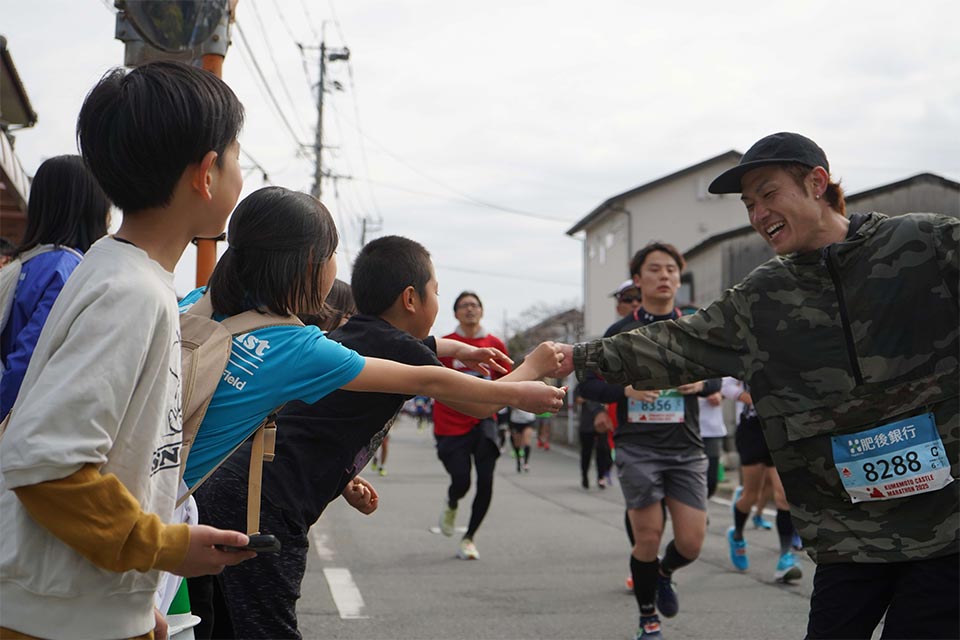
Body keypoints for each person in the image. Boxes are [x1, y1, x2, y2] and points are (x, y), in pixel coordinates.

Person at [565, 132, 959, 640]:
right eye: (749, 204)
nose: (758, 214)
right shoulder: (762, 298)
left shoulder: (926, 245)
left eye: (769, 194)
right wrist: (566, 358)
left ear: (817, 183)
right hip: (849, 535)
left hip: (947, 527)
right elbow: (672, 345)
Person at [193, 235, 565, 638]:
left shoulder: (353, 335)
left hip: (227, 486)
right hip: (265, 506)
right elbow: (479, 404)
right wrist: (532, 366)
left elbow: (311, 420)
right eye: (435, 292)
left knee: (223, 625)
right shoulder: (398, 349)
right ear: (411, 299)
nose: (437, 301)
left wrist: (343, 476)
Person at [0, 61, 255, 640]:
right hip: (58, 620)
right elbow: (47, 463)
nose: (243, 171)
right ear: (207, 174)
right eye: (237, 154)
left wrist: (138, 603)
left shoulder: (119, 273)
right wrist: (165, 547)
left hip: (76, 606)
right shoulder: (131, 294)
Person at [580, 242, 719, 640]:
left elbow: (722, 371)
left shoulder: (694, 325)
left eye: (670, 270)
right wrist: (625, 391)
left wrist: (701, 382)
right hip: (638, 447)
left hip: (686, 447)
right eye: (654, 270)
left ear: (679, 277)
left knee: (691, 542)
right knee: (649, 535)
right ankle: (648, 619)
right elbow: (587, 382)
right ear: (638, 281)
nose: (664, 276)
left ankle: (663, 573)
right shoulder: (620, 332)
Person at [1, 155, 111, 417]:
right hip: (26, 419)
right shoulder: (69, 269)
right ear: (89, 206)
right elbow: (30, 358)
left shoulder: (27, 262)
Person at [433, 291, 514, 561]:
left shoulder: (494, 344)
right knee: (461, 480)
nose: (470, 309)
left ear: (481, 310)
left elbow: (508, 383)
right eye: (464, 306)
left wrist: (503, 422)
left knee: (486, 481)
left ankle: (469, 537)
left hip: (484, 422)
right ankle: (453, 501)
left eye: (475, 305)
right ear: (455, 313)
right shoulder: (446, 345)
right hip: (450, 423)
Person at [726, 380, 802, 583]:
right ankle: (737, 536)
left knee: (784, 496)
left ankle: (786, 557)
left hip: (782, 429)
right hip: (753, 430)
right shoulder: (743, 350)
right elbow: (725, 385)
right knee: (750, 496)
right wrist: (750, 399)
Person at [574, 384, 611, 489]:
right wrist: (592, 395)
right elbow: (578, 399)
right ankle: (584, 475)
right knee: (586, 452)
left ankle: (601, 477)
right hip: (586, 423)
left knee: (603, 450)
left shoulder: (604, 383)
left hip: (602, 424)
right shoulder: (582, 384)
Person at [508, 405, 537, 473]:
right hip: (516, 421)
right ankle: (518, 460)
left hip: (528, 420)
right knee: (517, 444)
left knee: (527, 441)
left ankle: (526, 462)